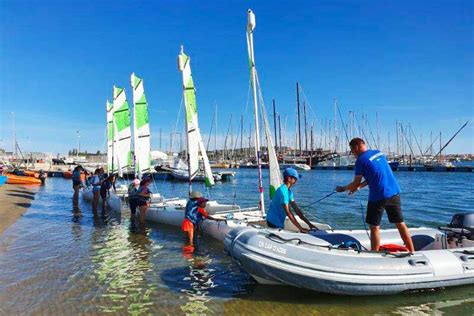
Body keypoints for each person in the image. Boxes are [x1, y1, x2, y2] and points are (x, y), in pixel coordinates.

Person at [336, 137, 414, 252]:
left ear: (356, 147)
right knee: (400, 223)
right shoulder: (379, 153)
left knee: (374, 227)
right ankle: (412, 250)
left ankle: (374, 253)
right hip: (394, 192)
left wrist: (343, 188)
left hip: (378, 196)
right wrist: (359, 187)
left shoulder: (360, 161)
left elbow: (355, 183)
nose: (353, 154)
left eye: (352, 151)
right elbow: (375, 176)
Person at [266, 168, 316, 233]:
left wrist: (309, 224)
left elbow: (297, 210)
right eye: (295, 178)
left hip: (279, 221)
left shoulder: (289, 192)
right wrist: (300, 228)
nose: (296, 180)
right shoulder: (283, 192)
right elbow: (288, 213)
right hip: (273, 221)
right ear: (289, 178)